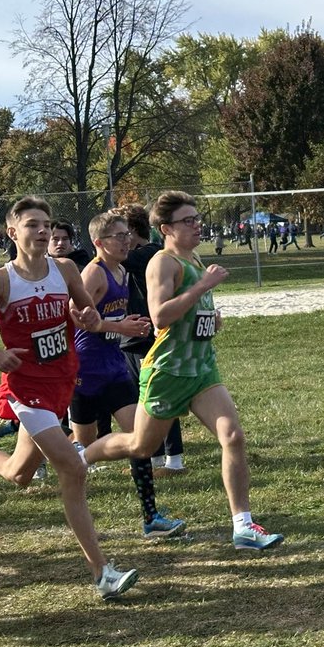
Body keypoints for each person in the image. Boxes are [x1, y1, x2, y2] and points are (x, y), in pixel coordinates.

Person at [0, 196, 139, 600]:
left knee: (19, 473)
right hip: (24, 387)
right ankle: (102, 572)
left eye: (46, 224)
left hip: (61, 380)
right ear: (12, 232)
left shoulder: (65, 269)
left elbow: (90, 316)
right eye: (33, 224)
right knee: (73, 467)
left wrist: (88, 319)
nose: (43, 231)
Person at [81, 191, 282, 551]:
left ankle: (243, 526)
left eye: (197, 219)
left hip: (201, 369)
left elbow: (189, 315)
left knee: (233, 436)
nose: (197, 225)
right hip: (168, 371)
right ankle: (81, 456)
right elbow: (159, 316)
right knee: (140, 444)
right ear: (166, 229)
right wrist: (204, 285)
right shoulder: (163, 262)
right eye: (188, 221)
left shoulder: (195, 259)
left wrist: (210, 319)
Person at [72, 210, 186, 539]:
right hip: (85, 371)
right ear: (98, 243)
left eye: (127, 235)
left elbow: (105, 321)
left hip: (114, 369)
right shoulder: (93, 274)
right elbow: (75, 315)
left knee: (140, 440)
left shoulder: (121, 271)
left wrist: (130, 324)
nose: (126, 241)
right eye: (118, 237)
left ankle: (151, 517)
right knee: (82, 447)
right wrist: (119, 326)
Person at [116, 204, 187, 477]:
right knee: (141, 399)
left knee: (160, 396)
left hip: (150, 336)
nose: (119, 240)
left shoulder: (151, 253)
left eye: (122, 233)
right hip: (131, 337)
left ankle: (174, 459)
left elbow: (121, 259)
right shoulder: (139, 254)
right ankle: (155, 458)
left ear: (133, 231)